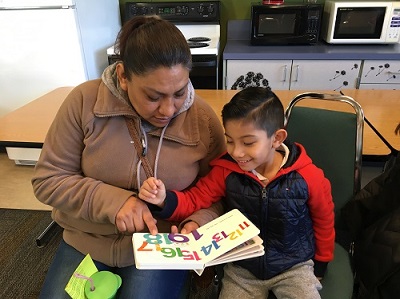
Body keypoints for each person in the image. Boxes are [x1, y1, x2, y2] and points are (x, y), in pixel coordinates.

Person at [31, 15, 226, 298]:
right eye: (153, 96)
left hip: (162, 243)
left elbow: (221, 190)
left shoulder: (203, 119)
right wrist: (115, 202)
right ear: (123, 76)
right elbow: (48, 180)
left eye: (179, 92)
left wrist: (198, 222)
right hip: (88, 239)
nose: (168, 109)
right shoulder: (84, 102)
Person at [139, 87, 335, 299]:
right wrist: (162, 200)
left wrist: (322, 263)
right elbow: (196, 199)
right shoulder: (226, 170)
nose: (236, 152)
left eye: (248, 142)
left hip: (294, 266)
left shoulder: (310, 177)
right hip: (243, 266)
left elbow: (324, 220)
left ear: (277, 138)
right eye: (230, 141)